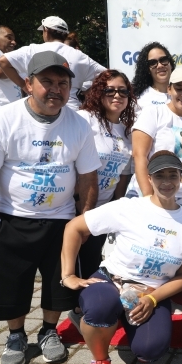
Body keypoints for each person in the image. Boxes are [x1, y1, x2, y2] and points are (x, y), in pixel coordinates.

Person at [0, 51, 100, 364]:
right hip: (13, 218)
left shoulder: (79, 125)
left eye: (63, 83)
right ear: (28, 84)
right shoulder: (3, 119)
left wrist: (81, 222)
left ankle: (49, 331)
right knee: (12, 284)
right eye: (47, 82)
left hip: (61, 220)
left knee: (59, 283)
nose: (56, 89)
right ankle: (15, 335)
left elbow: (88, 178)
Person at [60, 151, 182, 364]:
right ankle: (100, 362)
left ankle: (117, 318)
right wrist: (68, 275)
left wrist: (153, 299)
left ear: (181, 178)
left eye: (173, 175)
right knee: (100, 307)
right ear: (149, 178)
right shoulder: (129, 207)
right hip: (111, 281)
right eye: (160, 175)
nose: (167, 181)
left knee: (150, 351)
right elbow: (74, 227)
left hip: (150, 293)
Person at [74, 69, 136, 280]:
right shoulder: (85, 119)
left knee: (91, 265)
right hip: (76, 207)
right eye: (110, 90)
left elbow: (123, 176)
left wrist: (117, 210)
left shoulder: (127, 132)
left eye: (123, 91)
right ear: (98, 92)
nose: (117, 95)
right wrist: (79, 203)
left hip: (103, 211)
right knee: (74, 267)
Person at [127, 67, 182, 213]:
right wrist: (148, 197)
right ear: (169, 89)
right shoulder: (153, 112)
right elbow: (139, 156)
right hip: (153, 194)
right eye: (179, 89)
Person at [0, 16, 105, 111]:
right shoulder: (80, 56)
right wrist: (86, 93)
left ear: (46, 31)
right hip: (72, 109)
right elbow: (106, 75)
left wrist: (24, 86)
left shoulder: (32, 50)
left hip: (40, 108)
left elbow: (3, 61)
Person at [131, 42, 175, 110]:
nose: (160, 65)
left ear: (171, 64)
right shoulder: (139, 99)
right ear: (147, 69)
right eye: (153, 63)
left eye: (163, 60)